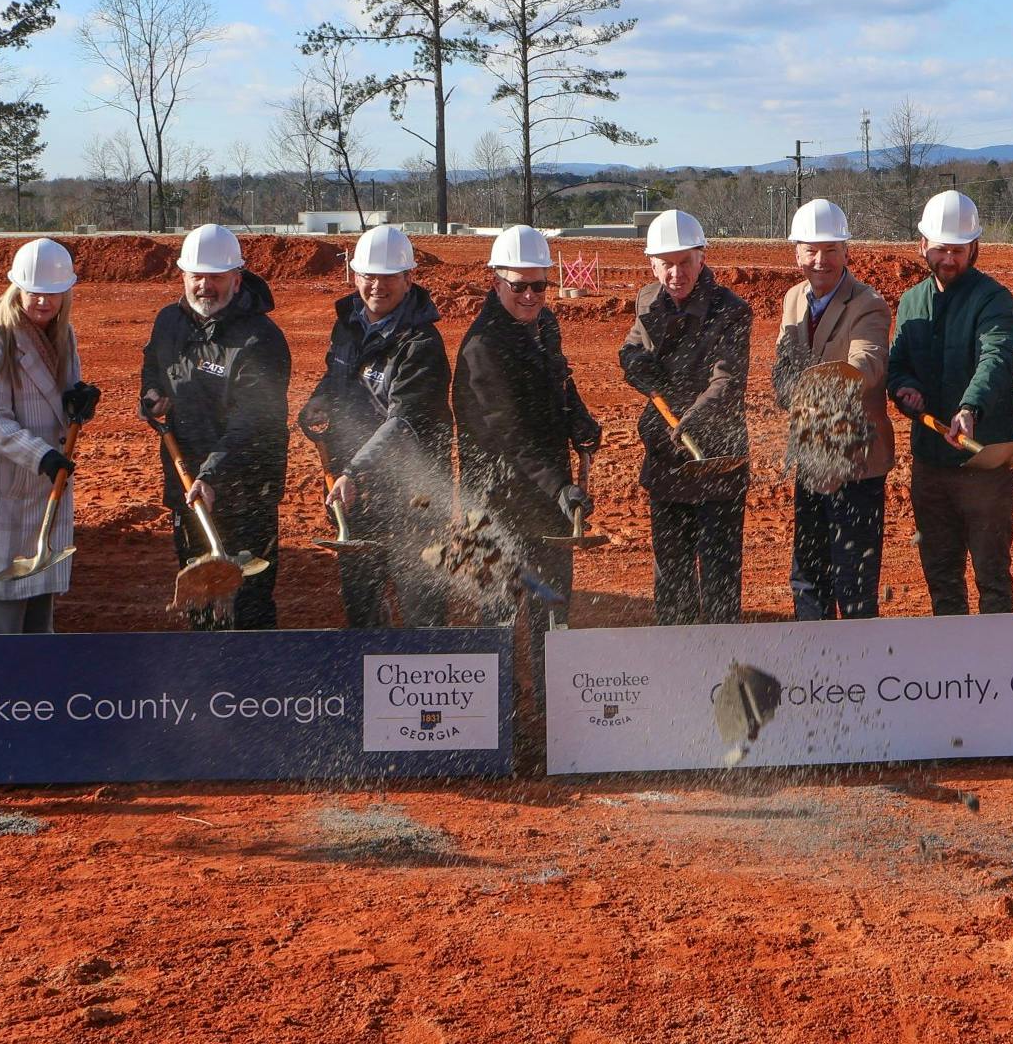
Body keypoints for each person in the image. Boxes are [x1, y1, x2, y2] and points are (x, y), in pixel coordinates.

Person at [455, 224, 602, 739]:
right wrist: (560, 487)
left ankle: (552, 721)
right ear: (495, 283)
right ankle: (490, 729)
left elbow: (559, 381)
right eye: (518, 286)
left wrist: (578, 417)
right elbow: (508, 437)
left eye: (538, 285)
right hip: (491, 501)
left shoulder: (544, 327)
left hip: (542, 498)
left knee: (552, 609)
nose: (529, 296)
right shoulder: (483, 348)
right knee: (496, 612)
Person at [0, 238, 98, 633]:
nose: (43, 302)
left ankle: (38, 691)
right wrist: (42, 456)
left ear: (66, 293)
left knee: (39, 612)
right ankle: (0, 694)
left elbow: (57, 397)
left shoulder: (65, 335)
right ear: (17, 288)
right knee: (4, 616)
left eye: (52, 294)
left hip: (45, 489)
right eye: (34, 292)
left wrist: (77, 402)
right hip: (4, 488)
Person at [300, 224, 451, 627]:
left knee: (421, 603)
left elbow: (403, 423)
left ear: (409, 278)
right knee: (362, 601)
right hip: (360, 495)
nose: (376, 285)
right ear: (355, 275)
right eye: (368, 275)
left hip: (414, 497)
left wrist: (352, 471)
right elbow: (338, 376)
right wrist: (318, 399)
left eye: (388, 276)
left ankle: (429, 682)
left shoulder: (421, 345)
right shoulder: (348, 325)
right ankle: (369, 678)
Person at [140, 223, 290, 630]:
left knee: (249, 604)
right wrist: (152, 393)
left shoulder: (260, 339)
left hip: (246, 493)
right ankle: (209, 684)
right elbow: (154, 363)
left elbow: (254, 420)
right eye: (197, 276)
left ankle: (254, 691)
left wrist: (213, 474)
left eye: (216, 277)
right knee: (201, 600)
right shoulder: (169, 321)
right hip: (187, 486)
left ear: (237, 279)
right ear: (183, 276)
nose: (205, 285)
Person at [887, 189, 1013, 614]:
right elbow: (897, 364)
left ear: (975, 248)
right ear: (922, 244)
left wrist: (970, 409)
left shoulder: (993, 299)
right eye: (941, 248)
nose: (949, 259)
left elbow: (996, 359)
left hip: (982, 463)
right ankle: (953, 673)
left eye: (959, 250)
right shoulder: (911, 302)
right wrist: (903, 389)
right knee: (941, 578)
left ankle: (998, 668)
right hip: (930, 465)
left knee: (992, 577)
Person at [619, 209, 752, 625]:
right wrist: (633, 362)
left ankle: (718, 666)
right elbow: (632, 347)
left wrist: (689, 421)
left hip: (717, 460)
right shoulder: (646, 299)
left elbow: (727, 380)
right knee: (672, 575)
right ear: (652, 264)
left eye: (685, 262)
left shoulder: (732, 311)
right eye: (667, 264)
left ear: (702, 258)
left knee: (719, 580)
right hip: (666, 459)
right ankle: (675, 660)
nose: (677, 273)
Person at [769, 198, 894, 620]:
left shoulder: (868, 303)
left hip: (857, 462)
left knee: (854, 582)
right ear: (796, 252)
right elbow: (784, 364)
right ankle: (815, 667)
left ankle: (859, 676)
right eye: (810, 250)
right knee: (808, 576)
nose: (820, 260)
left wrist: (827, 381)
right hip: (811, 457)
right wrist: (787, 387)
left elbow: (869, 361)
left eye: (830, 250)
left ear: (846, 252)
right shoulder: (792, 299)